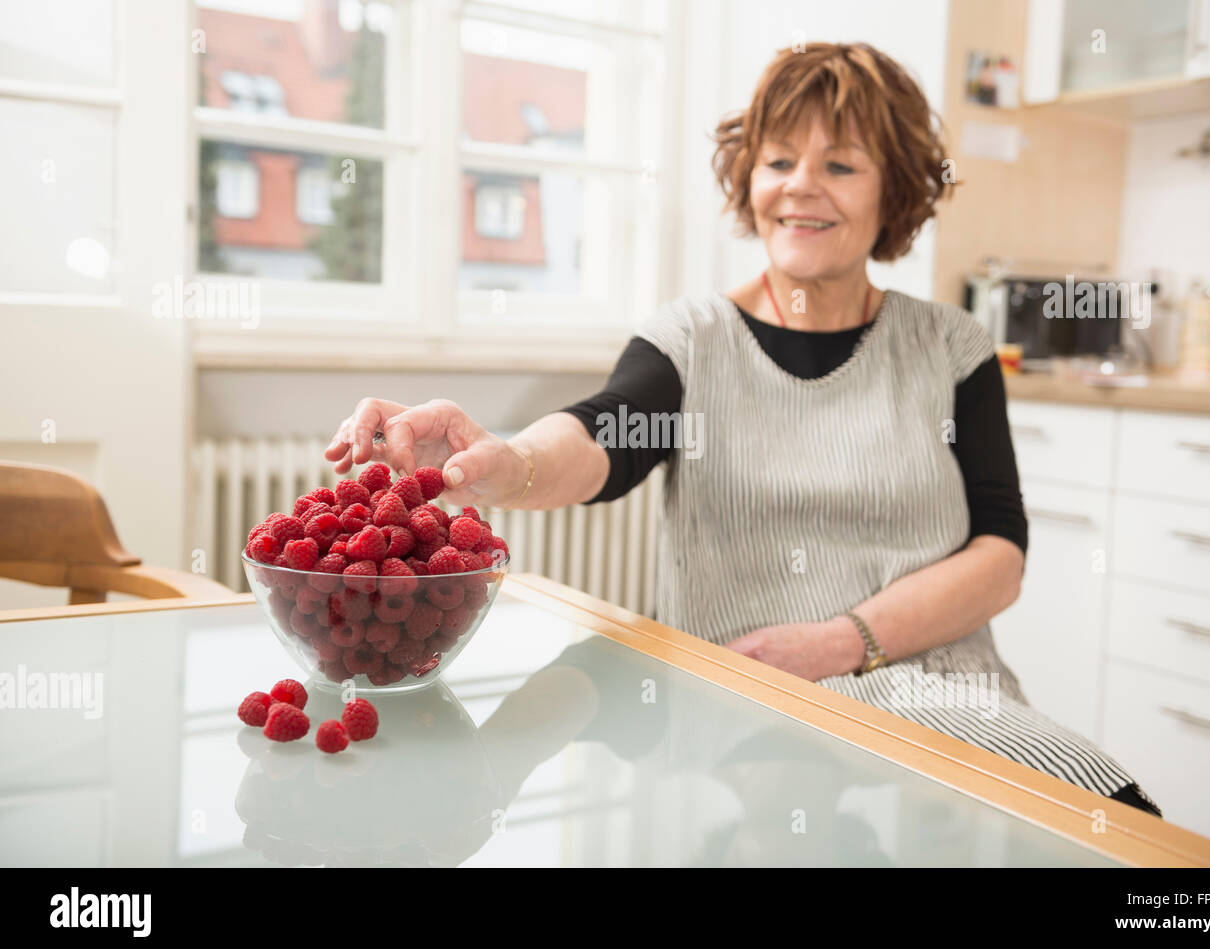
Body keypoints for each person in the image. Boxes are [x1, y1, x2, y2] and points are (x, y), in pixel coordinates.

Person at [325, 42, 1161, 816]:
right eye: (778, 160)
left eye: (840, 163)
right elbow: (599, 439)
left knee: (1125, 823)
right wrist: (503, 461)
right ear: (748, 179)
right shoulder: (692, 340)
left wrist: (844, 641)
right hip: (748, 704)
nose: (801, 184)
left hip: (946, 689)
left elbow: (1000, 556)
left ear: (895, 189)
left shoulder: (953, 348)